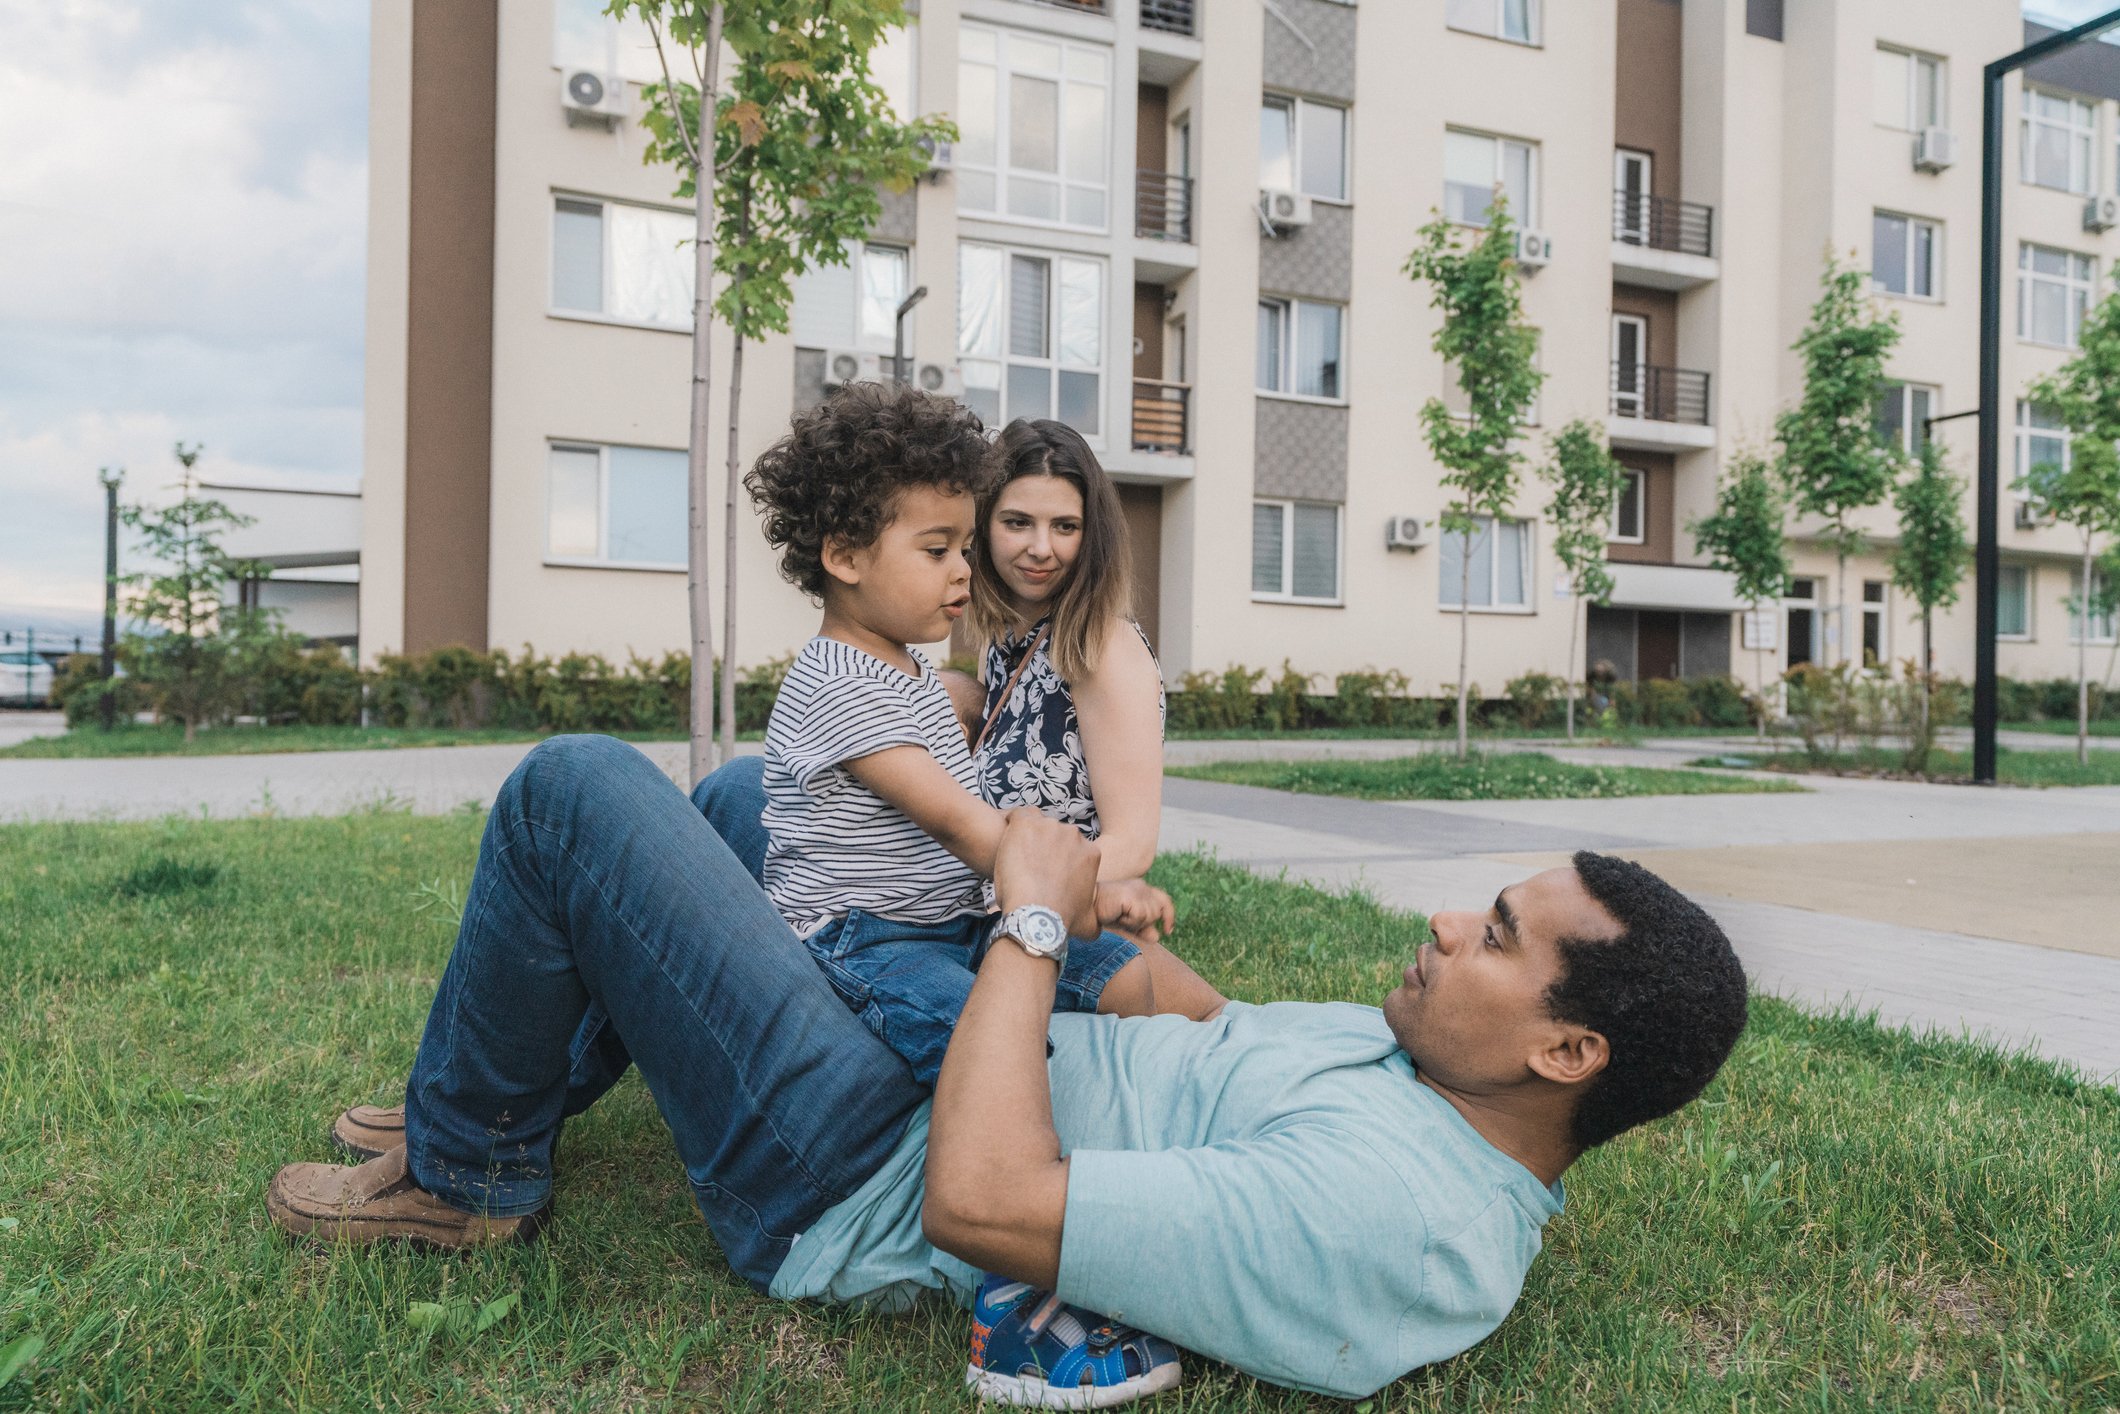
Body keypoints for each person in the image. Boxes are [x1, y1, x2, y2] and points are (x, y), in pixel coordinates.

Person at [265, 741, 1748, 1402]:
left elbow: (984, 1197)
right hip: (940, 1057)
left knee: (576, 792)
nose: (1444, 922)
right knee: (745, 802)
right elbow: (1212, 1035)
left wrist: (1029, 928)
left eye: (1493, 933)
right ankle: (496, 1085)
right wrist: (1099, 923)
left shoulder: (1395, 1219)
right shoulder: (1428, 1067)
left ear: (1566, 1049)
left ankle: (464, 1172)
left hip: (856, 1170)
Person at [956, 419, 1222, 1022]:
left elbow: (1131, 842)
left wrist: (1050, 896)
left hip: (1061, 923)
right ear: (983, 525)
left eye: (1065, 526)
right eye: (1018, 522)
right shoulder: (1003, 642)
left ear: (1091, 534)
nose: (1040, 547)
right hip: (998, 913)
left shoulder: (1101, 647)